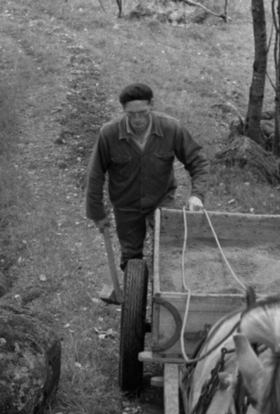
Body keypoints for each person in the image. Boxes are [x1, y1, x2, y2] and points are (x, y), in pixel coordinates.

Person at [85, 83, 209, 301]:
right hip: (126, 205)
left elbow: (198, 162)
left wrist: (197, 195)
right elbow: (95, 175)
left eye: (142, 113)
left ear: (152, 105)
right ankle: (135, 300)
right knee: (132, 258)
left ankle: (172, 299)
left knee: (171, 250)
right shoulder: (110, 134)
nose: (137, 120)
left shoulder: (171, 128)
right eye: (131, 115)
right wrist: (97, 214)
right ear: (123, 111)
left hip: (161, 200)